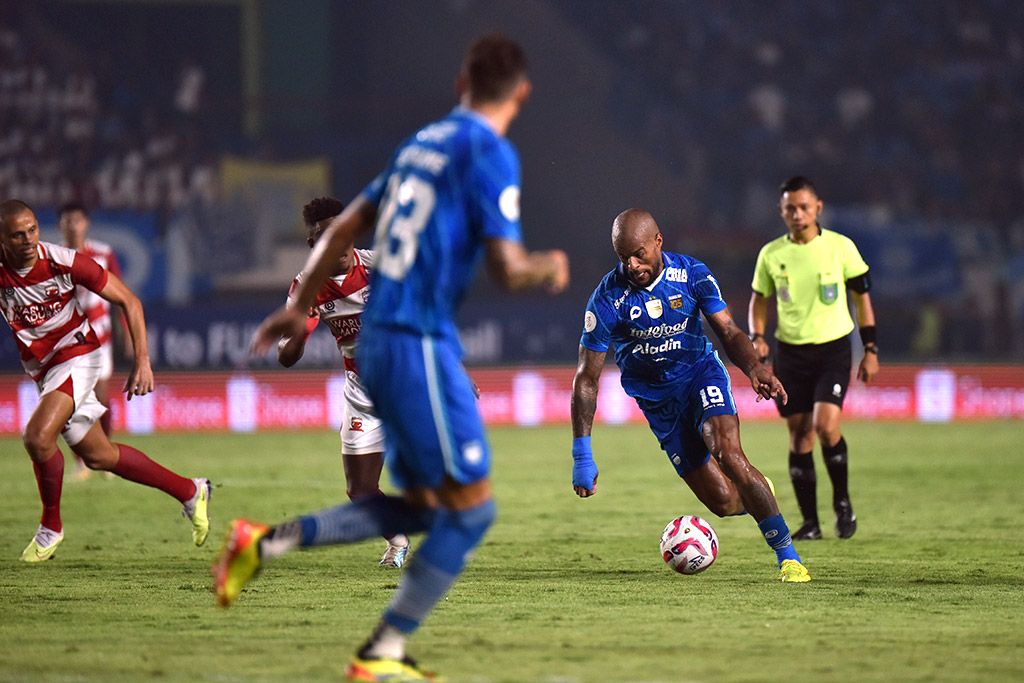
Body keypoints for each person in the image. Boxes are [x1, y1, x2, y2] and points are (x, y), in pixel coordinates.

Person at [215, 34, 569, 682]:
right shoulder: (489, 153)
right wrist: (548, 265)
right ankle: (379, 649)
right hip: (414, 340)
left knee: (437, 505)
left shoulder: (419, 144)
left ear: (461, 80)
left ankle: (267, 545)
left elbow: (347, 224)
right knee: (475, 510)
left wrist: (299, 305)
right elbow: (508, 267)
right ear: (522, 93)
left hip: (379, 349)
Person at [570, 208, 811, 584]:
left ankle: (788, 558)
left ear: (658, 242)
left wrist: (755, 369)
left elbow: (729, 331)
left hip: (701, 374)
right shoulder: (606, 300)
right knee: (726, 502)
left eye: (639, 254)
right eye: (623, 257)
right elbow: (587, 378)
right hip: (660, 405)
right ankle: (755, 490)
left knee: (729, 453)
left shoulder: (692, 274)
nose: (632, 265)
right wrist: (581, 453)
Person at [0, 199, 212, 562]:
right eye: (17, 235)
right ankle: (191, 491)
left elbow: (130, 301)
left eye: (32, 230)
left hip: (78, 355)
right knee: (100, 456)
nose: (28, 240)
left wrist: (142, 360)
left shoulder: (62, 260)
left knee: (37, 438)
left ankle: (51, 527)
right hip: (44, 369)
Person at [277, 196, 410, 569]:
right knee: (360, 489)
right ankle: (397, 539)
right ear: (313, 244)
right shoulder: (306, 286)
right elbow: (285, 357)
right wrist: (301, 332)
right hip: (362, 391)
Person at [748, 176, 878, 541]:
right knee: (799, 435)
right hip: (790, 352)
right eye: (791, 208)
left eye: (804, 207)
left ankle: (842, 502)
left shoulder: (841, 248)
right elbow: (759, 300)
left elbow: (862, 300)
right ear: (781, 211)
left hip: (833, 348)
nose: (798, 214)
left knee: (825, 425)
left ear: (818, 208)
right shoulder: (771, 254)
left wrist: (870, 349)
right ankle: (811, 523)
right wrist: (757, 336)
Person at [58, 202, 126, 481]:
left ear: (86, 223)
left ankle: (106, 456)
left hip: (100, 337)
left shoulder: (103, 253)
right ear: (62, 224)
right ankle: (81, 462)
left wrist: (127, 331)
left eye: (78, 220)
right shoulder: (54, 255)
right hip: (66, 338)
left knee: (101, 397)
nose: (73, 225)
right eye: (68, 220)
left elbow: (120, 293)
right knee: (71, 402)